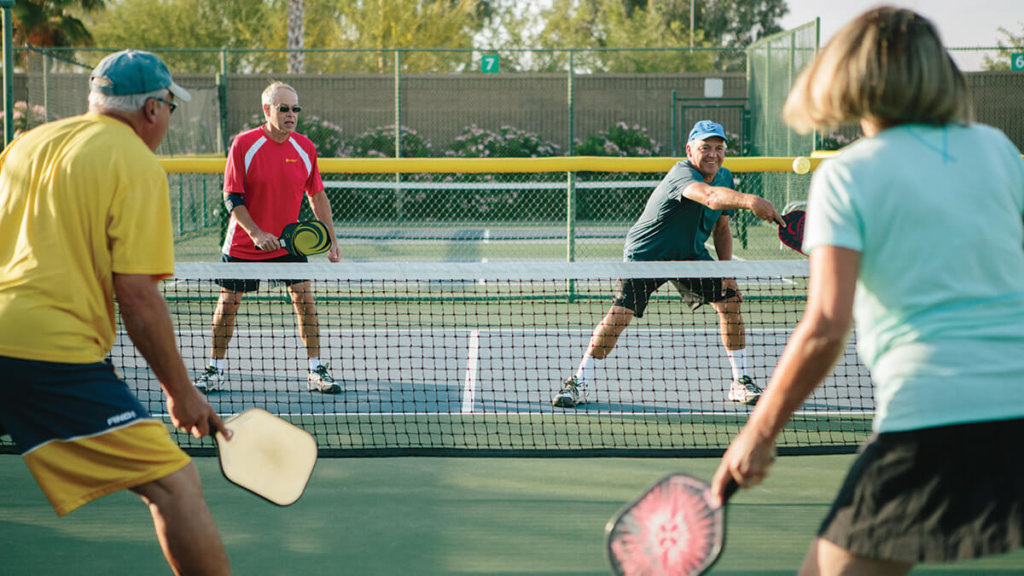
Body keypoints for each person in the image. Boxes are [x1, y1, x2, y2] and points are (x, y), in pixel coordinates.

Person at [711, 7, 1024, 575]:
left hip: (933, 419)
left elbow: (826, 327)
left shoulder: (846, 175)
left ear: (847, 78)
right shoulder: (998, 151)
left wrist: (756, 434)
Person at [0, 50, 232, 575]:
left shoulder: (25, 145)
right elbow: (138, 298)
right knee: (174, 484)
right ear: (152, 109)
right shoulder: (135, 163)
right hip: (46, 353)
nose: (170, 119)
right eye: (170, 107)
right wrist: (181, 393)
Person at [553, 120, 785, 408]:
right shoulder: (682, 173)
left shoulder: (726, 178)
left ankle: (740, 382)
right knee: (620, 316)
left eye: (719, 148)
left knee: (730, 302)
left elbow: (722, 229)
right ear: (690, 150)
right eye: (705, 148)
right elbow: (710, 198)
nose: (713, 154)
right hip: (647, 255)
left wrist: (727, 273)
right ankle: (578, 383)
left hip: (690, 255)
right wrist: (751, 201)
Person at [193, 81, 342, 395]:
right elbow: (232, 197)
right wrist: (257, 233)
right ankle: (214, 370)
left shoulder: (305, 147)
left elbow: (317, 196)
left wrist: (331, 238)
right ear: (267, 110)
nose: (291, 115)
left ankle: (316, 369)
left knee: (305, 301)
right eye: (283, 109)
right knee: (229, 304)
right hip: (245, 243)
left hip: (288, 244)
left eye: (295, 109)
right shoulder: (244, 144)